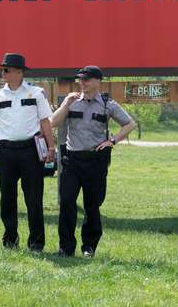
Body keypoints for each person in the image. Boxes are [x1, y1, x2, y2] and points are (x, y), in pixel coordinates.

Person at [51, 65, 137, 258]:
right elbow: (52, 123)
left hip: (95, 162)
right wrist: (65, 104)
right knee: (67, 202)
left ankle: (89, 247)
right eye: (80, 79)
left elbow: (130, 124)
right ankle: (66, 248)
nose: (82, 83)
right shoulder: (71, 101)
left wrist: (112, 141)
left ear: (98, 81)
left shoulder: (108, 104)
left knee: (92, 205)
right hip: (72, 160)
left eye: (86, 79)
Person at [0, 53, 55, 251]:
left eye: (6, 69)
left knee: (34, 199)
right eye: (2, 69)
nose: (2, 73)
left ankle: (36, 243)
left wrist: (51, 147)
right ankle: (10, 240)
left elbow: (45, 122)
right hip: (5, 152)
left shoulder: (36, 93)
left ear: (19, 72)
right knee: (7, 198)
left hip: (30, 151)